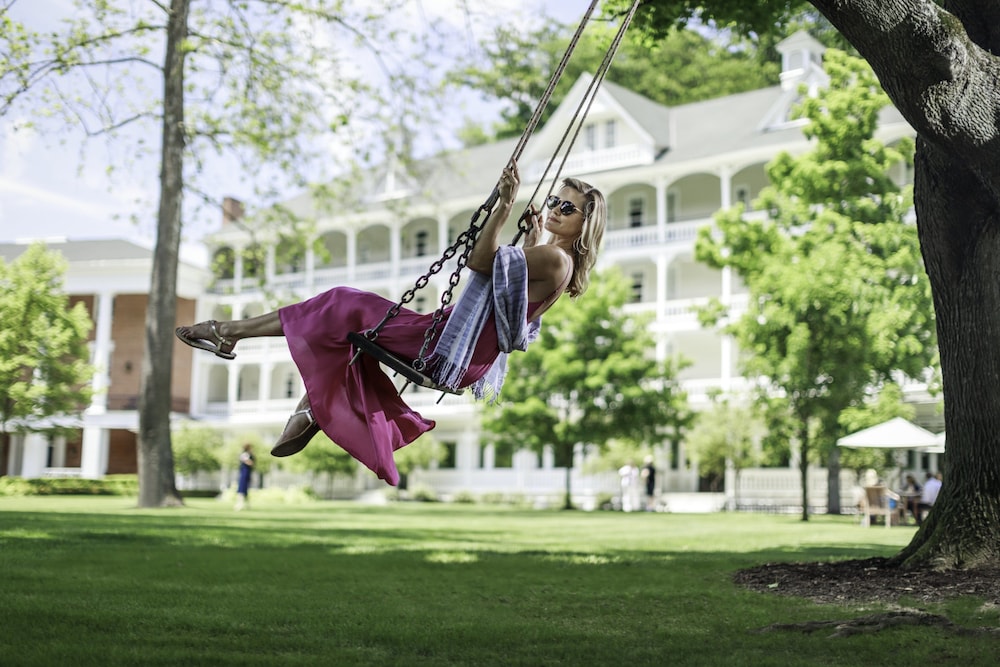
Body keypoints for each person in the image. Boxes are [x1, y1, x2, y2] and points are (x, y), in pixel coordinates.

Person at [175, 161, 607, 486]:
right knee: (346, 319)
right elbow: (511, 300)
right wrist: (528, 236)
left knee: (341, 303)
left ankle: (229, 334)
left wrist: (504, 205)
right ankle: (307, 403)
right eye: (555, 200)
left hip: (448, 346)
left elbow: (480, 262)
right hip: (456, 342)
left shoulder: (556, 258)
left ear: (584, 223)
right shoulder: (555, 258)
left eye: (567, 208)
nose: (556, 209)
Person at [235, 443, 255, 511]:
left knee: (245, 490)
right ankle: (239, 505)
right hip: (244, 475)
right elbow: (250, 463)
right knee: (242, 489)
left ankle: (247, 505)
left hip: (247, 475)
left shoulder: (249, 455)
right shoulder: (245, 455)